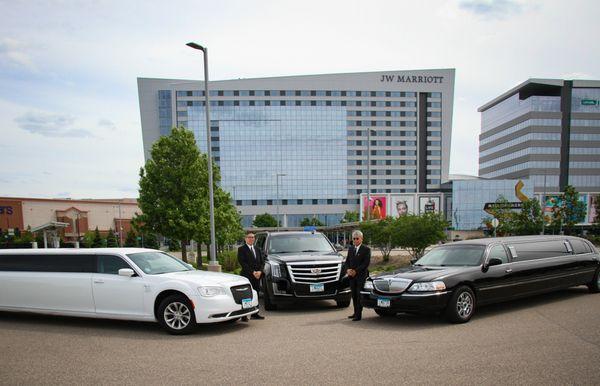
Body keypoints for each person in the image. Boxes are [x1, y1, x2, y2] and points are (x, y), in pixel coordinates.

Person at [237, 232, 265, 321]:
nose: (251, 239)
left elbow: (262, 262)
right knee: (247, 296)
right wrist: (253, 272)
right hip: (247, 276)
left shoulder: (257, 249)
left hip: (257, 276)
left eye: (253, 237)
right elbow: (243, 263)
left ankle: (255, 313)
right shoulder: (241, 249)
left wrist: (260, 271)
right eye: (249, 237)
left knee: (255, 294)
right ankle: (244, 315)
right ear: (245, 238)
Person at [346, 230, 371, 321]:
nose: (355, 240)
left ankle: (358, 315)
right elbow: (347, 261)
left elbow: (365, 264)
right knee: (353, 295)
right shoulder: (351, 249)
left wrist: (355, 271)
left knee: (359, 295)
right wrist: (348, 269)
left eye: (357, 238)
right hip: (352, 276)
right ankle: (355, 312)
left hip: (360, 276)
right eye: (354, 239)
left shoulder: (366, 249)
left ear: (361, 239)